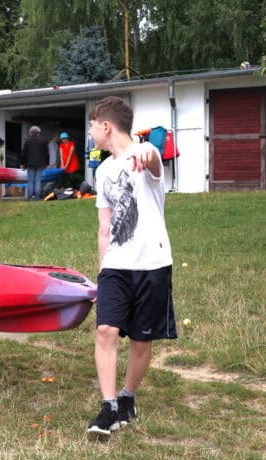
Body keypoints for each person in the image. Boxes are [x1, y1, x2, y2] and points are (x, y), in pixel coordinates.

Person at [86, 96, 177, 438]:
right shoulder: (104, 170)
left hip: (152, 264)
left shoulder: (146, 158)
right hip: (116, 267)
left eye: (92, 127)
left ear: (105, 125)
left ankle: (128, 398)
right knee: (105, 331)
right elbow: (104, 228)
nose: (90, 133)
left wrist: (148, 151)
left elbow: (153, 161)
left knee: (141, 340)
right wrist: (101, 272)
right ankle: (108, 407)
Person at [20, 125, 50, 200]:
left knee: (30, 181)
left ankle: (30, 198)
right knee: (38, 181)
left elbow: (23, 153)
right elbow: (47, 153)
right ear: (38, 133)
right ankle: (37, 197)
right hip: (40, 164)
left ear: (30, 133)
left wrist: (22, 163)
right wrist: (47, 163)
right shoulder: (43, 141)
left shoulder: (27, 141)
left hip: (29, 164)